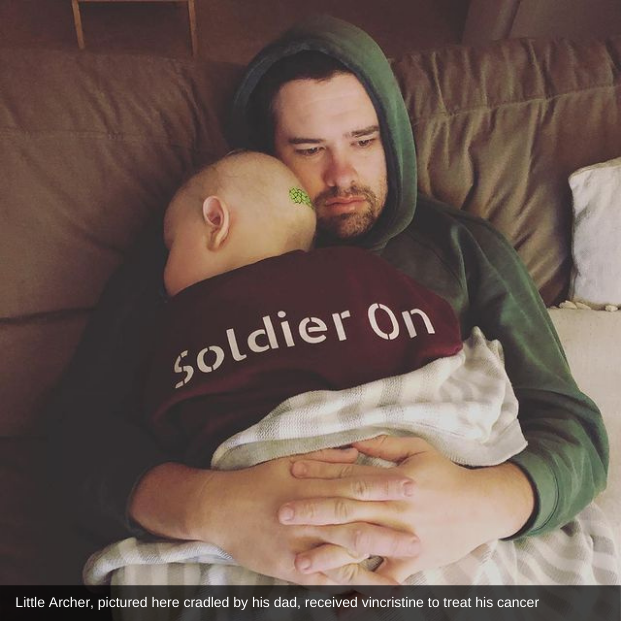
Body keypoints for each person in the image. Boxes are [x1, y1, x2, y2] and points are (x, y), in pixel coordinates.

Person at [49, 15, 608, 586]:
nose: (342, 175)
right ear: (268, 154)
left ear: (392, 137)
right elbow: (78, 437)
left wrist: (480, 504)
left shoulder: (463, 246)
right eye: (309, 149)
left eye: (364, 141)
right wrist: (213, 506)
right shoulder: (190, 257)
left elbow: (571, 428)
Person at [145, 150, 462, 467]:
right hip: (402, 457)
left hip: (269, 477)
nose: (162, 275)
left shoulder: (188, 314)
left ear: (216, 221)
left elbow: (163, 417)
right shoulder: (358, 268)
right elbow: (442, 333)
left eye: (171, 246)